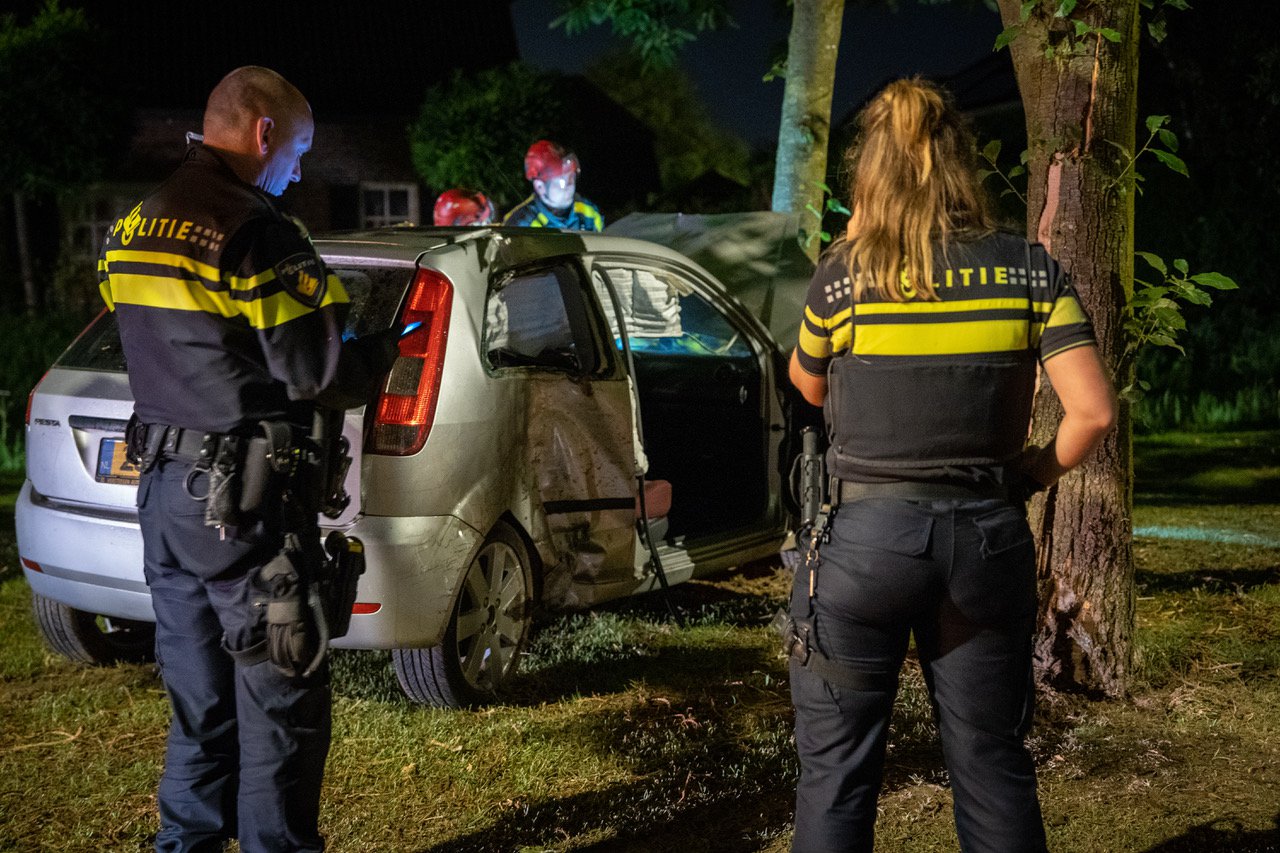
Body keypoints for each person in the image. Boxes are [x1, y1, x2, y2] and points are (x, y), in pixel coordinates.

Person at [784, 77, 1117, 853]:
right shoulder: (1030, 272)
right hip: (986, 541)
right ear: (960, 164)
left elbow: (805, 383)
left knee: (836, 779)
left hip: (862, 546)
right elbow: (1093, 412)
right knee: (993, 764)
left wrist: (860, 246)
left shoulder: (844, 277)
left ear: (871, 172)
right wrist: (1026, 477)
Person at [97, 66, 397, 852]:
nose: (298, 172)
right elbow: (321, 370)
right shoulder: (257, 233)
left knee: (199, 706)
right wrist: (384, 349)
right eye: (298, 151)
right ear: (263, 133)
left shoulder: (136, 223)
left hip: (163, 498)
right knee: (281, 701)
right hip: (243, 510)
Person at [502, 139, 604, 231]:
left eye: (571, 177)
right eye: (562, 182)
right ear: (540, 187)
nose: (570, 186)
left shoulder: (589, 213)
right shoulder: (521, 226)